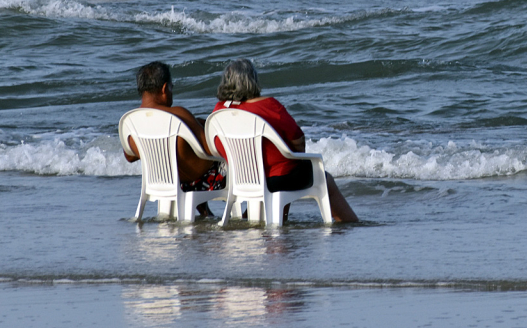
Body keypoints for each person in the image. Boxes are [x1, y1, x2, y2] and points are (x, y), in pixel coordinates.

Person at [212, 58, 358, 223]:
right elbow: (298, 140)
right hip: (278, 179)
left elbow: (216, 147)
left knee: (285, 164)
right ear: (252, 80)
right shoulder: (268, 105)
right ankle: (349, 223)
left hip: (242, 178)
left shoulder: (220, 110)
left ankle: (275, 219)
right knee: (324, 178)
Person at [123, 61, 225, 216]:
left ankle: (205, 212)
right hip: (198, 181)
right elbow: (209, 148)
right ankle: (243, 215)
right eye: (171, 87)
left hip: (162, 181)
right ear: (164, 88)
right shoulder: (178, 114)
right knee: (234, 159)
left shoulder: (131, 122)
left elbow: (129, 156)